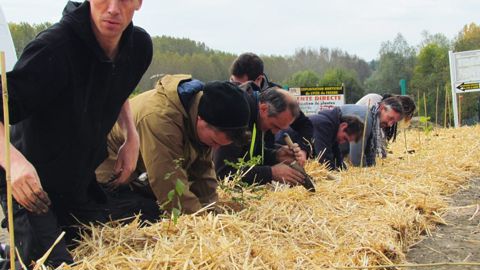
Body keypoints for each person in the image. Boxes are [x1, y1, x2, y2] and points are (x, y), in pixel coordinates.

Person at [0, 0, 153, 267]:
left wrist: (131, 135)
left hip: (77, 181)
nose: (114, 9)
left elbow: (119, 85)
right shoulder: (53, 50)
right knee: (57, 264)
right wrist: (14, 162)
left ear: (139, 3)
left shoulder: (138, 47)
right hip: (30, 186)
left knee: (149, 217)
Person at [96, 75, 251, 214]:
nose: (215, 149)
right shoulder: (161, 120)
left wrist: (211, 209)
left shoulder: (200, 112)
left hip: (137, 170)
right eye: (214, 142)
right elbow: (167, 180)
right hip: (107, 169)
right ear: (201, 120)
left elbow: (203, 170)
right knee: (147, 213)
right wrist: (200, 220)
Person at [229, 52, 313, 164]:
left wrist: (302, 150)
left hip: (264, 158)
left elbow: (305, 125)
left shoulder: (280, 97)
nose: (237, 89)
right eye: (232, 82)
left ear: (259, 79)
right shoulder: (231, 98)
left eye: (241, 85)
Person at [214, 87, 306, 186]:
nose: (275, 132)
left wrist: (276, 155)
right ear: (264, 109)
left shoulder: (257, 116)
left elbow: (249, 155)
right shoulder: (238, 118)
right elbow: (224, 173)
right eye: (275, 125)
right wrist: (271, 173)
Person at [341, 96, 405, 167]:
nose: (390, 125)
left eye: (393, 122)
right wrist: (368, 172)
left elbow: (368, 152)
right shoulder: (365, 120)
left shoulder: (371, 118)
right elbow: (356, 159)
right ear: (382, 108)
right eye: (390, 118)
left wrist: (372, 167)